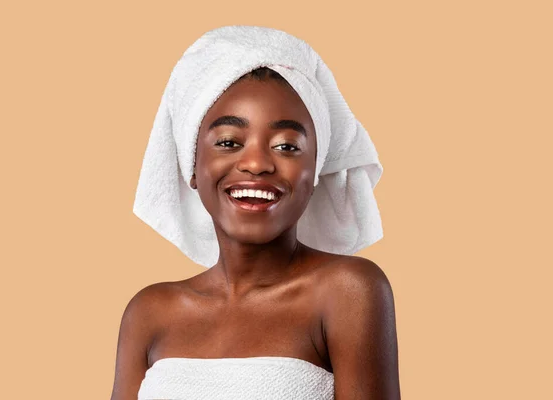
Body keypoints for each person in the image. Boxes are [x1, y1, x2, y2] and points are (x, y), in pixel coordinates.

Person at [111, 26, 400, 400]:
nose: (257, 163)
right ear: (192, 166)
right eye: (229, 142)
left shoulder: (347, 291)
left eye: (287, 146)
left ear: (315, 170)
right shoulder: (149, 313)